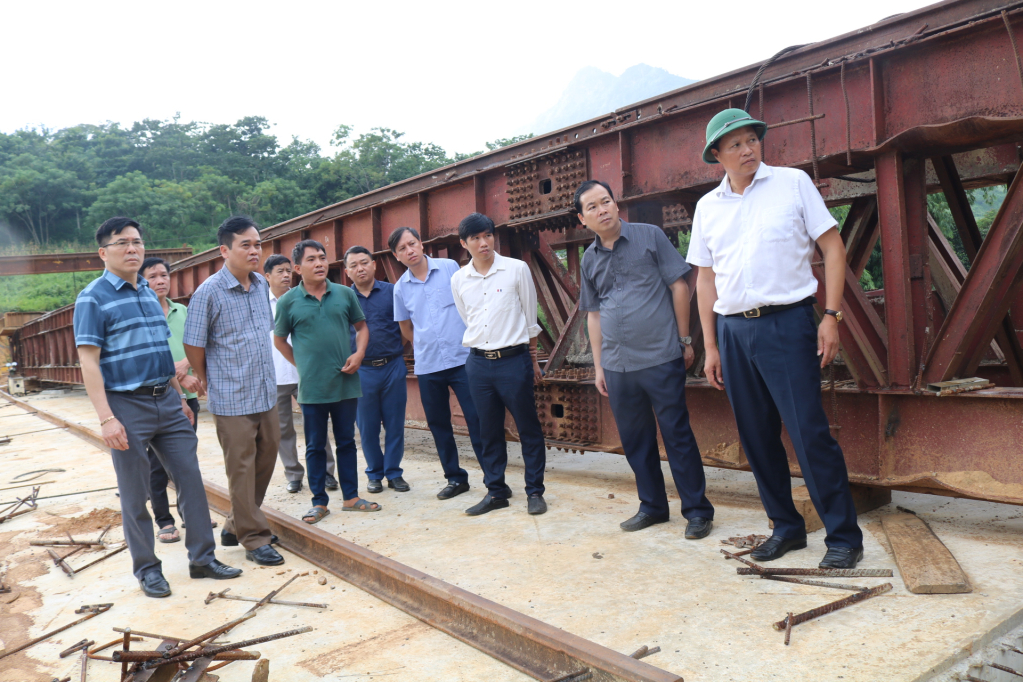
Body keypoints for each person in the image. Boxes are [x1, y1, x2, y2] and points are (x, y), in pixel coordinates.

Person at [687, 108, 865, 568]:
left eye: (752, 140)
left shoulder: (792, 183)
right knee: (757, 436)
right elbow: (705, 280)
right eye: (736, 144)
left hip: (787, 323)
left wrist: (831, 316)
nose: (748, 149)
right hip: (732, 330)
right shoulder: (708, 207)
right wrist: (710, 345)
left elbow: (832, 247)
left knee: (809, 433)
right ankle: (786, 528)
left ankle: (844, 537)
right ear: (716, 155)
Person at [74, 217, 241, 598]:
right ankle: (148, 569)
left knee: (191, 480)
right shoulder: (93, 297)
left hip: (166, 401)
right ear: (103, 252)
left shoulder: (149, 292)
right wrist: (106, 418)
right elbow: (89, 361)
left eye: (137, 242)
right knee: (135, 493)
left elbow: (161, 351)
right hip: (125, 404)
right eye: (122, 243)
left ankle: (202, 558)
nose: (132, 248)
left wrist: (179, 397)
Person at [576, 180, 715, 539]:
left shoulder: (649, 236)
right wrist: (599, 364)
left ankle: (697, 511)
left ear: (615, 204)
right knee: (636, 440)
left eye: (606, 201)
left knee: (677, 435)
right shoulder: (588, 259)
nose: (602, 209)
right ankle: (652, 507)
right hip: (618, 364)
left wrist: (684, 340)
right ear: (583, 219)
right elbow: (593, 314)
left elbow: (679, 286)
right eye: (592, 207)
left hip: (660, 356)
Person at [183, 215, 284, 567]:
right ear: (225, 250)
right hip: (231, 396)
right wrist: (204, 378)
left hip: (263, 392)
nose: (255, 250)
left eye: (258, 244)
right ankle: (254, 538)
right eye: (246, 244)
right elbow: (193, 343)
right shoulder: (209, 292)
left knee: (266, 459)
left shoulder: (260, 285)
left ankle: (234, 524)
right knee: (241, 468)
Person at [450, 213, 548, 516]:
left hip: (513, 361)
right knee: (487, 430)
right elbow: (468, 318)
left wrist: (531, 360)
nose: (484, 243)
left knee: (528, 427)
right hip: (478, 364)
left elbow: (530, 319)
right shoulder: (459, 279)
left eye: (488, 235)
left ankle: (535, 491)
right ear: (464, 244)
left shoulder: (516, 270)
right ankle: (496, 492)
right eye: (476, 238)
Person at [274, 240, 377, 522]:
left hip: (345, 382)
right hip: (312, 387)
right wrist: (302, 364)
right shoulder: (288, 302)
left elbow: (362, 327)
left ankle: (351, 497)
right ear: (297, 268)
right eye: (311, 260)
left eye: (322, 258)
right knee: (315, 445)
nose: (319, 263)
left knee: (346, 441)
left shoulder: (344, 294)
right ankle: (319, 501)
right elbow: (279, 340)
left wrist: (359, 353)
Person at [389, 226, 485, 501]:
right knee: (439, 424)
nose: (410, 251)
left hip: (462, 358)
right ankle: (455, 479)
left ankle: (493, 477)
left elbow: (469, 303)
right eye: (402, 249)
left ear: (421, 244)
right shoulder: (400, 289)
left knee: (477, 419)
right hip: (428, 365)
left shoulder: (449, 268)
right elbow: (406, 327)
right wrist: (425, 342)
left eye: (412, 243)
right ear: (396, 256)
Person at [139, 257, 203, 544]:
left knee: (185, 460)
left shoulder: (183, 311)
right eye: (152, 276)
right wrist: (175, 374)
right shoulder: (141, 315)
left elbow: (197, 345)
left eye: (164, 275)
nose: (160, 280)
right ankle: (164, 520)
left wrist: (184, 367)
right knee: (156, 464)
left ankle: (190, 515)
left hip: (187, 395)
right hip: (159, 398)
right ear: (142, 281)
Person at [265, 254, 339, 494]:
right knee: (282, 429)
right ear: (267, 276)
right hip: (274, 376)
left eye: (289, 270)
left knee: (315, 425)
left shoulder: (301, 299)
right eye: (280, 271)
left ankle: (326, 472)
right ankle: (293, 474)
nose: (286, 275)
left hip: (304, 374)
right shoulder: (260, 306)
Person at [344, 246, 409, 494]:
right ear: (347, 271)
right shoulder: (343, 298)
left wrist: (394, 352)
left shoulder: (393, 292)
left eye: (364, 262)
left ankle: (394, 473)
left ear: (374, 265)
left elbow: (404, 329)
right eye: (354, 265)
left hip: (393, 366)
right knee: (367, 426)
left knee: (395, 424)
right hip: (363, 372)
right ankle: (374, 474)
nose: (360, 268)